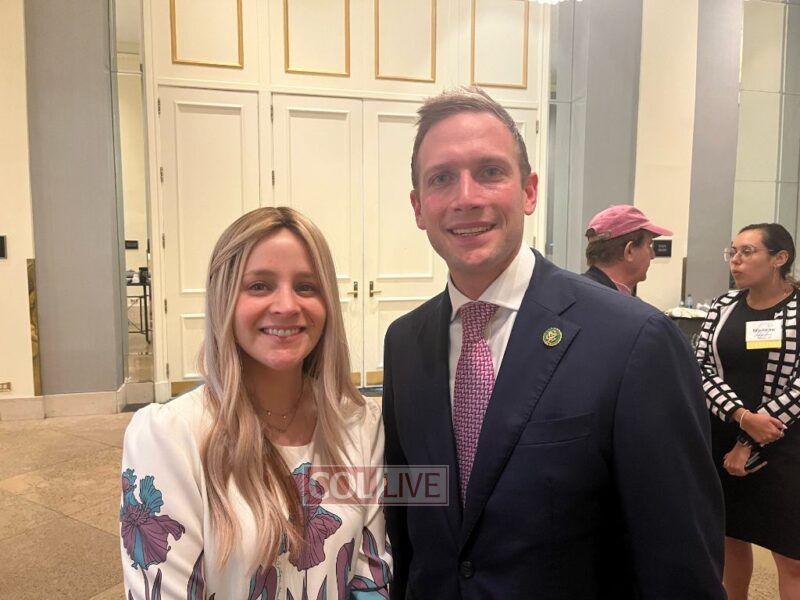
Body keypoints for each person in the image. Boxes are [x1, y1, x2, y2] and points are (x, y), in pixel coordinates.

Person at [382, 86, 725, 599]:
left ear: (529, 191)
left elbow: (680, 559)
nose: (466, 197)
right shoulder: (405, 342)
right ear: (418, 206)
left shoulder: (634, 341)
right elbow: (415, 500)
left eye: (491, 172)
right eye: (442, 179)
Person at [119, 207, 391, 599]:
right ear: (224, 299)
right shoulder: (169, 435)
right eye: (260, 286)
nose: (286, 305)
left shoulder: (360, 424)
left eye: (306, 286)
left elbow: (372, 576)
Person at [696, 222, 800, 600]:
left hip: (784, 439)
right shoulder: (724, 306)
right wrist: (741, 417)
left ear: (779, 258)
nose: (735, 261)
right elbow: (701, 366)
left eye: (747, 252)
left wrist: (752, 434)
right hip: (724, 434)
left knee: (791, 556)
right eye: (732, 252)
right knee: (731, 539)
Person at [583, 204, 672, 295]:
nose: (653, 255)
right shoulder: (615, 305)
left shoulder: (577, 295)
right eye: (649, 245)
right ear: (629, 251)